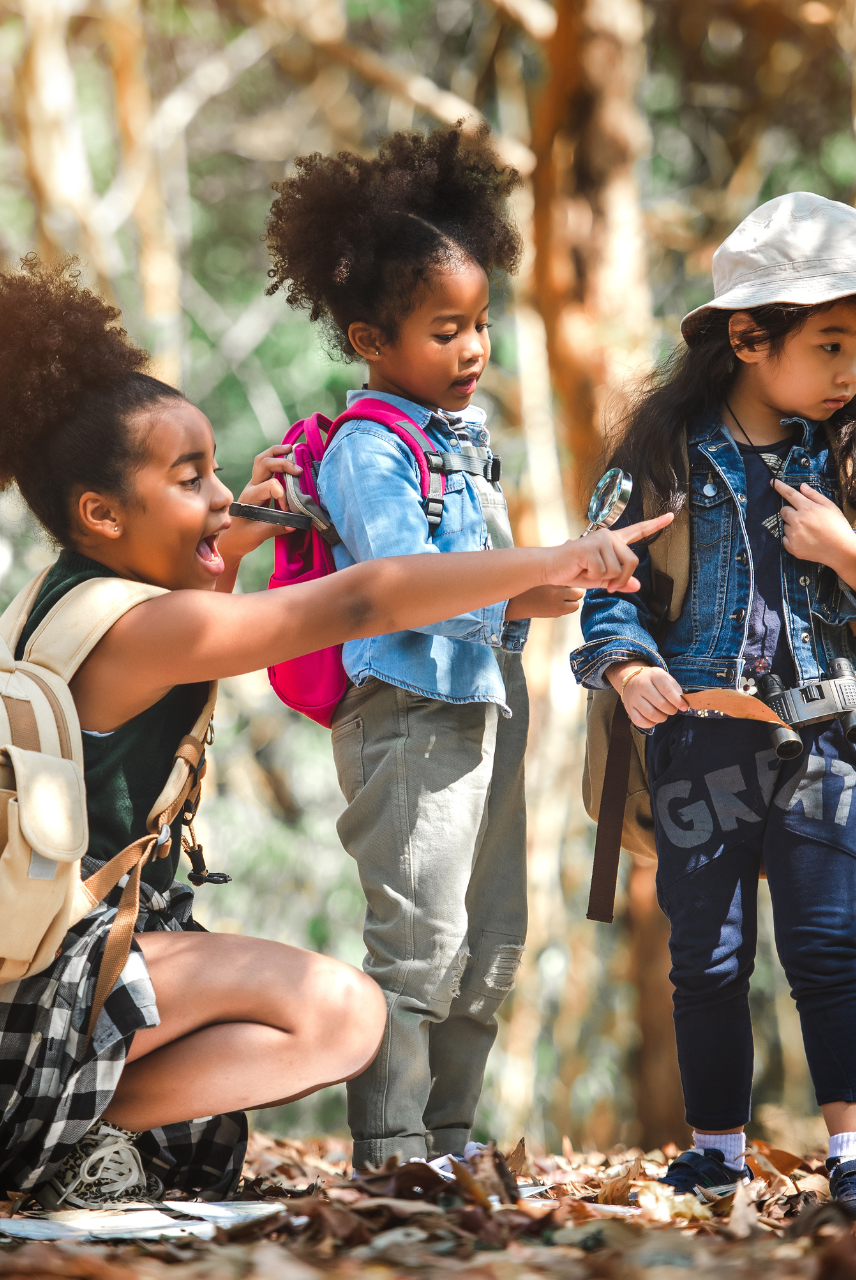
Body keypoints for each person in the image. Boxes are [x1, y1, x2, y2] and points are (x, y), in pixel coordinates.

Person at [0, 254, 668, 1214]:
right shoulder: (147, 627)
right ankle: (68, 1137)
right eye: (192, 479)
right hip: (38, 1024)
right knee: (348, 1013)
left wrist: (242, 523)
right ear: (100, 512)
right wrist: (550, 560)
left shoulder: (52, 600)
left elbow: (201, 585)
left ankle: (65, 1132)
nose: (223, 494)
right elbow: (368, 595)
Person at [570, 193, 856, 1225]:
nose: (848, 372)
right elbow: (605, 599)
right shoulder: (660, 463)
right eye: (828, 343)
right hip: (699, 739)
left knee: (826, 945)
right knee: (710, 956)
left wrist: (852, 552)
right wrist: (627, 669)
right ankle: (716, 1153)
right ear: (747, 336)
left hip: (829, 738)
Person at [263, 124, 569, 1171]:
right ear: (369, 339)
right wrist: (537, 560)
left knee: (489, 948)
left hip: (486, 703)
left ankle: (451, 1144)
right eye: (446, 329)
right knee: (418, 944)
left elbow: (489, 587)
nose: (473, 349)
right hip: (406, 712)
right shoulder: (368, 447)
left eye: (481, 323)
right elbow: (400, 583)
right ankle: (393, 1156)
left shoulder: (467, 446)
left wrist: (579, 577)